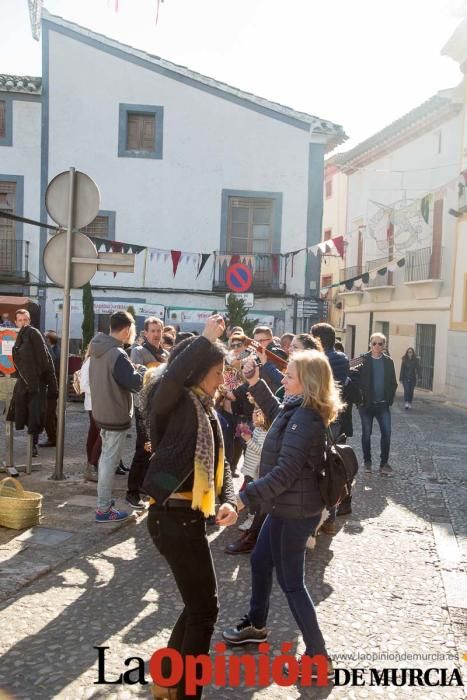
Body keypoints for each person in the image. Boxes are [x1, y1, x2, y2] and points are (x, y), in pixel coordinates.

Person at [222, 350, 341, 682]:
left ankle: (319, 657)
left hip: (295, 510)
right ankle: (257, 626)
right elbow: (277, 416)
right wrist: (256, 384)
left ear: (308, 383)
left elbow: (285, 473)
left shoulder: (306, 419)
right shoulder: (298, 409)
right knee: (260, 560)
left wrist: (241, 501)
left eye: (288, 376)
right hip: (285, 506)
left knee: (292, 584)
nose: (283, 379)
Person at [144, 314, 237, 700]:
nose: (222, 380)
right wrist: (204, 339)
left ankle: (167, 679)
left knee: (197, 605)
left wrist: (229, 499)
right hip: (171, 516)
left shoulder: (207, 410)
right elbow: (171, 379)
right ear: (197, 371)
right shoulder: (173, 402)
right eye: (218, 372)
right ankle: (185, 692)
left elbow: (224, 464)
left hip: (190, 518)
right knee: (204, 610)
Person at [89, 311, 145, 523]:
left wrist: (132, 369)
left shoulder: (98, 347)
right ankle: (103, 509)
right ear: (126, 330)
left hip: (102, 412)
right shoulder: (117, 353)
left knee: (106, 459)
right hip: (114, 414)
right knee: (108, 463)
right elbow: (134, 383)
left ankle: (104, 502)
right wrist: (140, 372)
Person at [127, 317, 168, 509]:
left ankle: (145, 486)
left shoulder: (166, 354)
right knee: (143, 449)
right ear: (145, 333)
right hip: (144, 407)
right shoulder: (139, 352)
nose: (156, 334)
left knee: (156, 450)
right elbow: (136, 380)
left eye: (159, 330)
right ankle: (132, 492)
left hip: (161, 407)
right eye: (152, 330)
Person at [7, 309, 57, 458]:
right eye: (20, 320)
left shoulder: (34, 334)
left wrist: (50, 383)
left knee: (35, 414)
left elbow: (46, 360)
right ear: (16, 322)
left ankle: (33, 445)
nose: (23, 323)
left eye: (25, 320)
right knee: (24, 412)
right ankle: (32, 444)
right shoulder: (20, 337)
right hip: (24, 382)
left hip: (36, 383)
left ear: (29, 321)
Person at [351, 332, 398, 476]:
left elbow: (393, 383)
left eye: (380, 344)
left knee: (387, 433)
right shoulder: (362, 360)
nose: (377, 346)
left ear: (384, 346)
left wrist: (389, 399)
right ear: (370, 344)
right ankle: (367, 462)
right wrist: (359, 398)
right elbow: (349, 373)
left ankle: (384, 463)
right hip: (366, 405)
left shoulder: (389, 361)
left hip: (382, 404)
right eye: (374, 343)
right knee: (366, 434)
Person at [225, 406, 269, 554]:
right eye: (254, 414)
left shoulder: (265, 432)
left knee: (251, 494)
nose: (254, 417)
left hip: (255, 469)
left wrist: (248, 440)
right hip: (248, 467)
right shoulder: (257, 429)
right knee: (247, 489)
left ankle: (251, 518)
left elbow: (261, 451)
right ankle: (249, 515)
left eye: (258, 414)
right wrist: (246, 434)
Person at [39, 330, 61, 447]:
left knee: (48, 414)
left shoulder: (54, 353)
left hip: (51, 389)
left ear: (48, 340)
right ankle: (56, 436)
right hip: (54, 388)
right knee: (52, 414)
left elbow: (51, 373)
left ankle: (52, 438)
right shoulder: (56, 351)